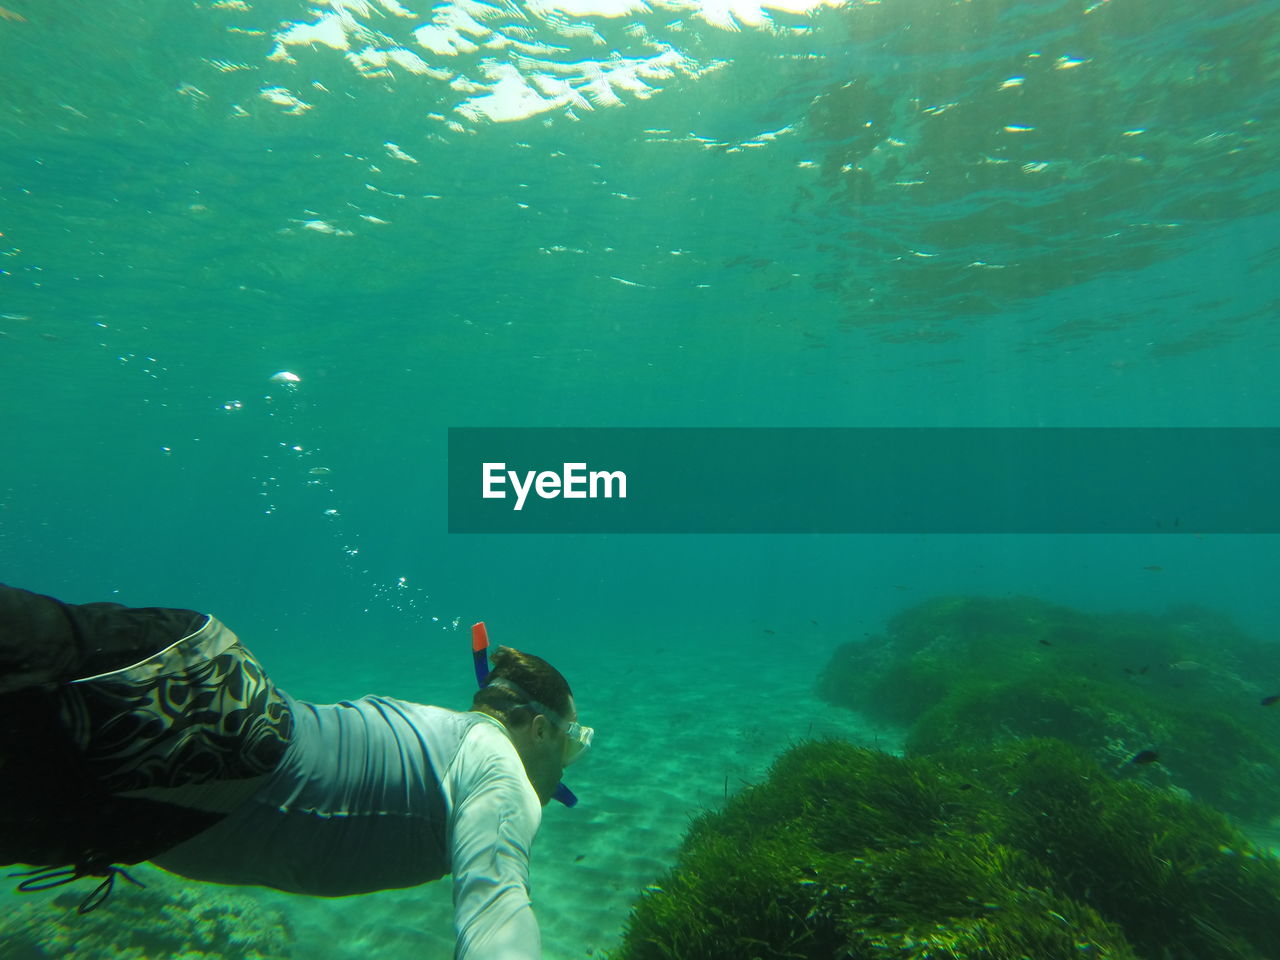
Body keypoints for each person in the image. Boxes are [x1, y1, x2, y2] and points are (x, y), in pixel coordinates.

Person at [0, 582, 592, 960]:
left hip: (199, 722)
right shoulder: (502, 772)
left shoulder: (442, 728)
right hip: (213, 750)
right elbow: (496, 915)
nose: (567, 762)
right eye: (573, 742)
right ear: (537, 728)